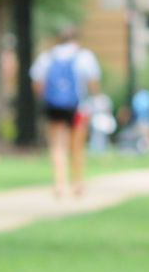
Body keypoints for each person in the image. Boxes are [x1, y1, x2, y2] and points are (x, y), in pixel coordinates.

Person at [31, 27, 101, 200]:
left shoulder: (46, 57)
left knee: (57, 146)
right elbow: (93, 82)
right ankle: (76, 183)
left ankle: (59, 184)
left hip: (54, 107)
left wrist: (46, 99)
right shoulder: (84, 56)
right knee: (76, 147)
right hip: (78, 107)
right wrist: (96, 100)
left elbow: (37, 82)